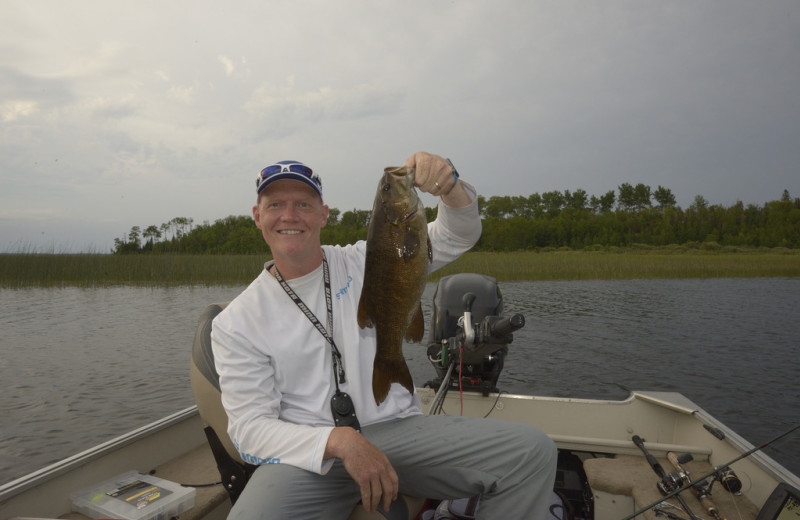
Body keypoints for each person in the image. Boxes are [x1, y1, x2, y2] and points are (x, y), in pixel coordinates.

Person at [211, 152, 557, 519]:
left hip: (396, 433)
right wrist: (339, 441)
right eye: (275, 204)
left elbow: (460, 233)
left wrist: (449, 185)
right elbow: (249, 432)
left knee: (532, 453)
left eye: (303, 204)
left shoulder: (370, 257)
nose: (289, 215)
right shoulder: (236, 321)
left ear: (323, 214)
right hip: (310, 455)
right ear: (257, 216)